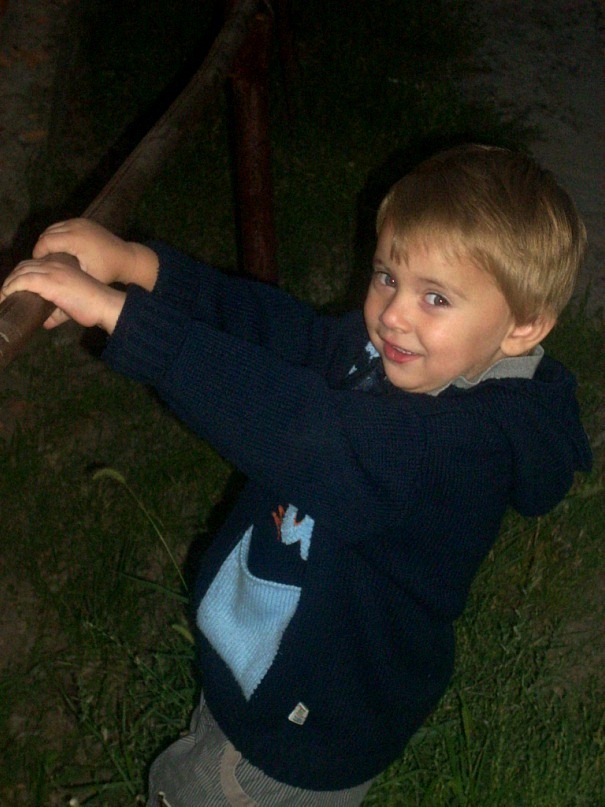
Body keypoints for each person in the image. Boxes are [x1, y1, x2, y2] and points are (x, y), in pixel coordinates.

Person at [1, 144, 592, 805]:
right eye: (386, 276)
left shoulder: (463, 448)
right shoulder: (405, 354)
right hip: (274, 664)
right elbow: (282, 335)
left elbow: (299, 428)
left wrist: (121, 318)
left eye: (435, 297)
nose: (393, 314)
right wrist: (143, 269)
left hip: (310, 718)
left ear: (522, 327)